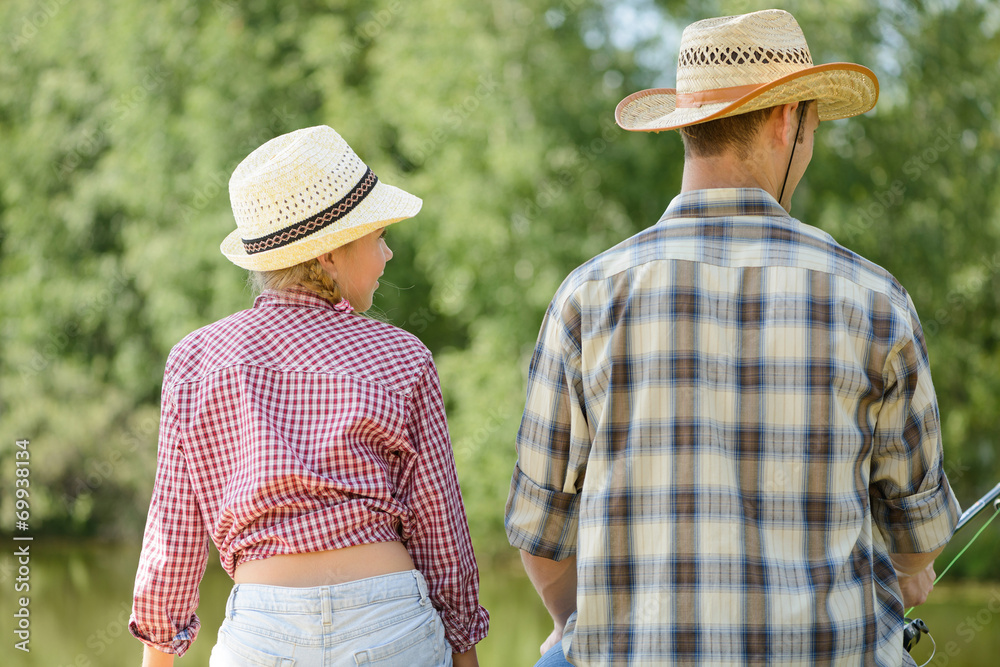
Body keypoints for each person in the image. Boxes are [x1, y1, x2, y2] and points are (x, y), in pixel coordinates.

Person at [505, 9, 960, 666]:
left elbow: (542, 534)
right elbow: (917, 538)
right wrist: (906, 567)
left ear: (688, 127)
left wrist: (573, 625)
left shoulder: (586, 297)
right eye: (813, 125)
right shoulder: (876, 300)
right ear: (786, 121)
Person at [129, 125, 489, 666]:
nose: (388, 255)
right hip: (391, 619)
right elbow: (440, 526)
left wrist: (159, 654)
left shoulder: (195, 361)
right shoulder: (402, 355)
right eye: (377, 238)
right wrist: (464, 654)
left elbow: (173, 536)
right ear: (327, 256)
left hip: (263, 632)